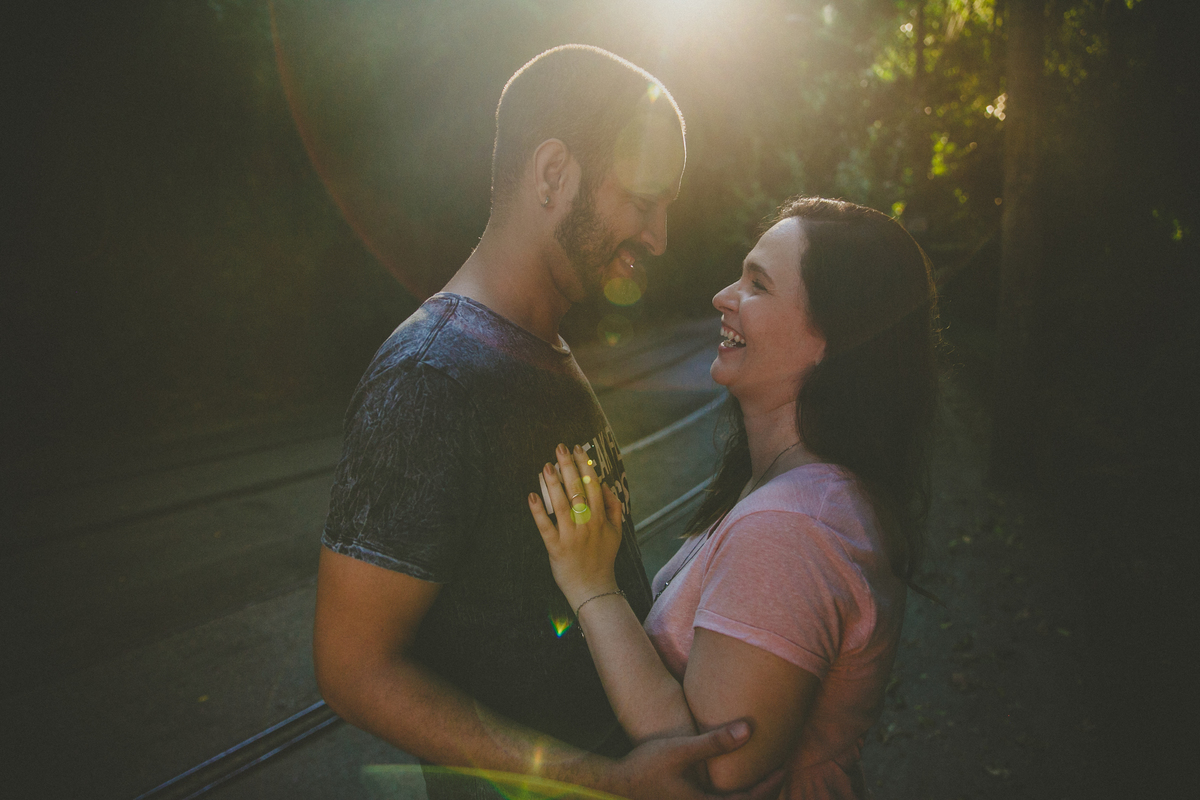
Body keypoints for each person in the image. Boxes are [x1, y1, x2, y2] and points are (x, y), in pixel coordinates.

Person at [313, 44, 780, 800]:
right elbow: (353, 670)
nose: (660, 236)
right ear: (554, 173)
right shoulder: (431, 377)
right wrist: (603, 781)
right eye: (644, 199)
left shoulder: (540, 341)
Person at [530, 196, 940, 799]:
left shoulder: (792, 529)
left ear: (832, 340)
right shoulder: (798, 490)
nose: (724, 296)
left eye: (758, 285)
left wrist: (592, 586)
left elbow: (710, 769)